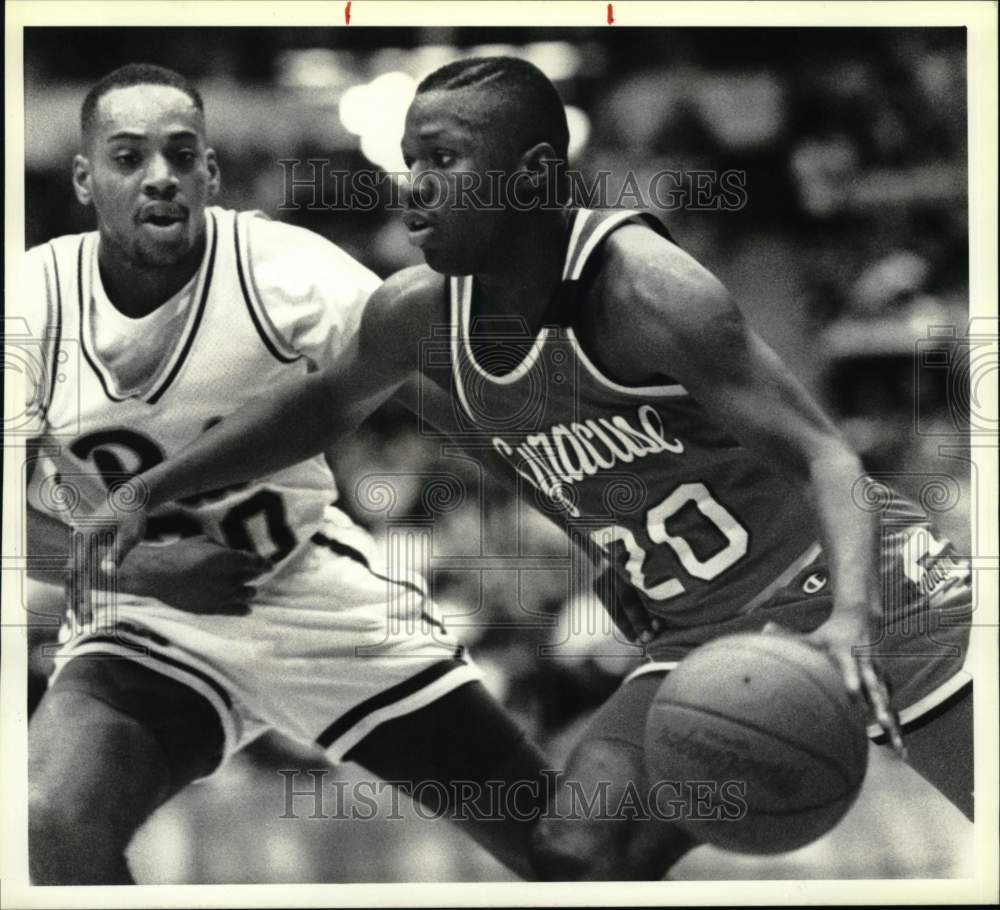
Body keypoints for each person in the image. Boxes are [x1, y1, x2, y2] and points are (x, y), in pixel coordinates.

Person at [87, 57, 974, 879]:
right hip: (703, 634)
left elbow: (828, 456)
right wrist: (151, 486)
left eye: (444, 158)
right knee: (577, 851)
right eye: (408, 159)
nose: (414, 184)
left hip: (876, 601)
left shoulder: (648, 293)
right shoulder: (415, 314)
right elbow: (320, 406)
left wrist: (853, 619)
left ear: (537, 175)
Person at [24, 63, 550, 885]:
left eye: (180, 154)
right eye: (128, 158)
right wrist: (150, 572)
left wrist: (590, 520)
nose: (159, 176)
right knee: (45, 825)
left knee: (562, 847)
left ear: (210, 173)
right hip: (137, 621)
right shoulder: (30, 303)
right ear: (86, 178)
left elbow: (441, 385)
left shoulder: (285, 268)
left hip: (309, 593)